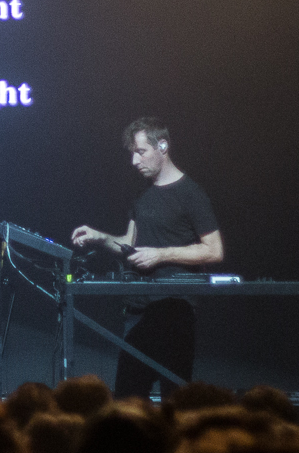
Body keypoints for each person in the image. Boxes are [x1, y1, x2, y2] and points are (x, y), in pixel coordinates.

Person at [70, 116, 225, 401]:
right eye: (132, 153)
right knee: (128, 399)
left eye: (141, 152)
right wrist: (100, 237)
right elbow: (130, 245)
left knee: (176, 400)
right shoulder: (142, 195)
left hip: (174, 311)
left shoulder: (191, 194)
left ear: (162, 146)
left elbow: (214, 250)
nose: (134, 161)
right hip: (138, 311)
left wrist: (161, 255)